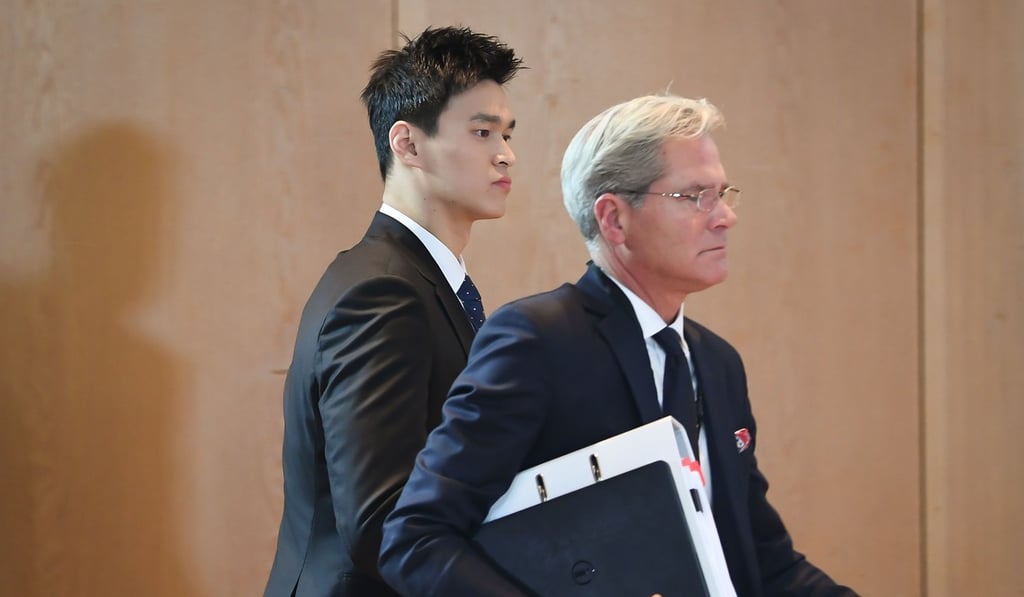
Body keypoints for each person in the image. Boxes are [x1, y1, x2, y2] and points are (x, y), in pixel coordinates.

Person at [378, 94, 857, 596]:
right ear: (614, 218)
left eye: (723, 193)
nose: (724, 218)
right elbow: (417, 539)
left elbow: (761, 559)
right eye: (695, 196)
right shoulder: (538, 342)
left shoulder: (717, 364)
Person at [264, 26, 522, 597]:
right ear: (406, 144)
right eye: (482, 132)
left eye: (506, 133)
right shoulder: (381, 292)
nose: (506, 154)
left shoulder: (413, 279)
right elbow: (381, 523)